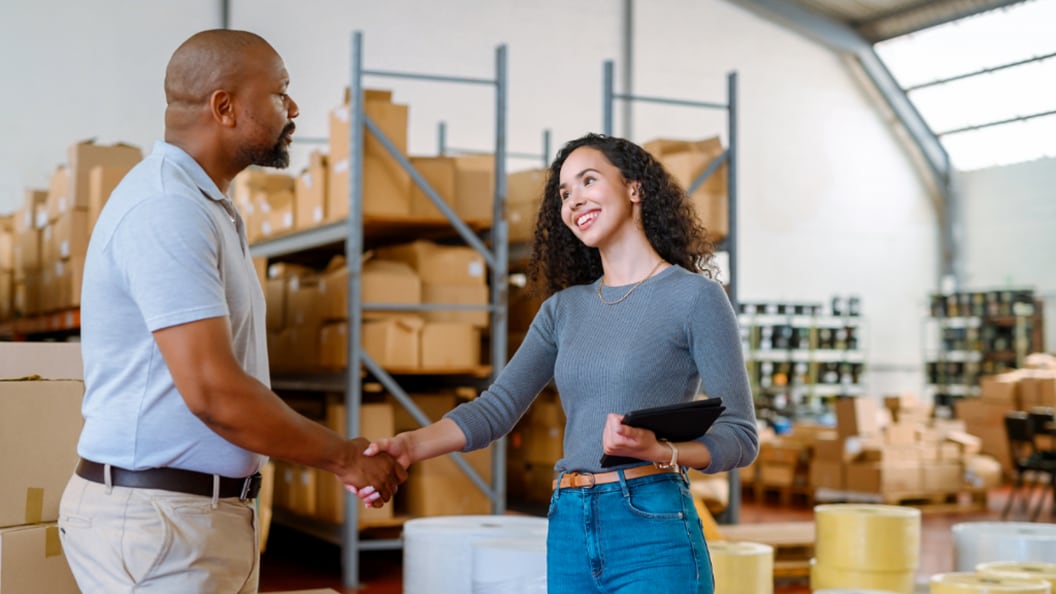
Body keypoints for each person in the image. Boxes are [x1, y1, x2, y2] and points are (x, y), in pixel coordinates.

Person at [58, 29, 405, 594]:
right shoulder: (167, 208)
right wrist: (344, 457)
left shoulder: (205, 205)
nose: (294, 109)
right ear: (225, 106)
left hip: (193, 518)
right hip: (159, 526)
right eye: (281, 93)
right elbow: (214, 392)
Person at [359, 132, 759, 593]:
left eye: (588, 181)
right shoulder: (562, 309)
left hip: (651, 521)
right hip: (569, 524)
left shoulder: (695, 297)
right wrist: (410, 446)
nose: (573, 201)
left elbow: (740, 435)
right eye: (564, 194)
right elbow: (496, 408)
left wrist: (660, 451)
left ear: (635, 188)